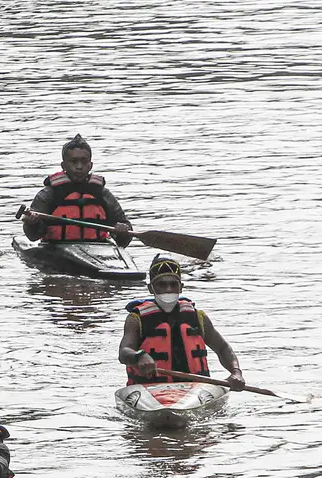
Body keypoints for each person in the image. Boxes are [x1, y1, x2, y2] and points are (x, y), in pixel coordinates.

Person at [119, 255, 246, 390]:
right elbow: (123, 352)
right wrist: (139, 356)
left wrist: (236, 372)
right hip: (150, 390)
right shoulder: (136, 319)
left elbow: (223, 348)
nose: (168, 289)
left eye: (173, 284)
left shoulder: (197, 317)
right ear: (151, 288)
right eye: (162, 285)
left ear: (181, 287)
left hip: (194, 391)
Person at [20, 134, 136, 247]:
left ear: (90, 166)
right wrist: (32, 223)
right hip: (56, 249)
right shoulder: (48, 195)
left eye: (84, 161)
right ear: (63, 166)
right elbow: (33, 236)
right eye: (73, 161)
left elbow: (123, 239)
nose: (79, 166)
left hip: (98, 248)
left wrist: (123, 231)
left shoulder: (103, 194)